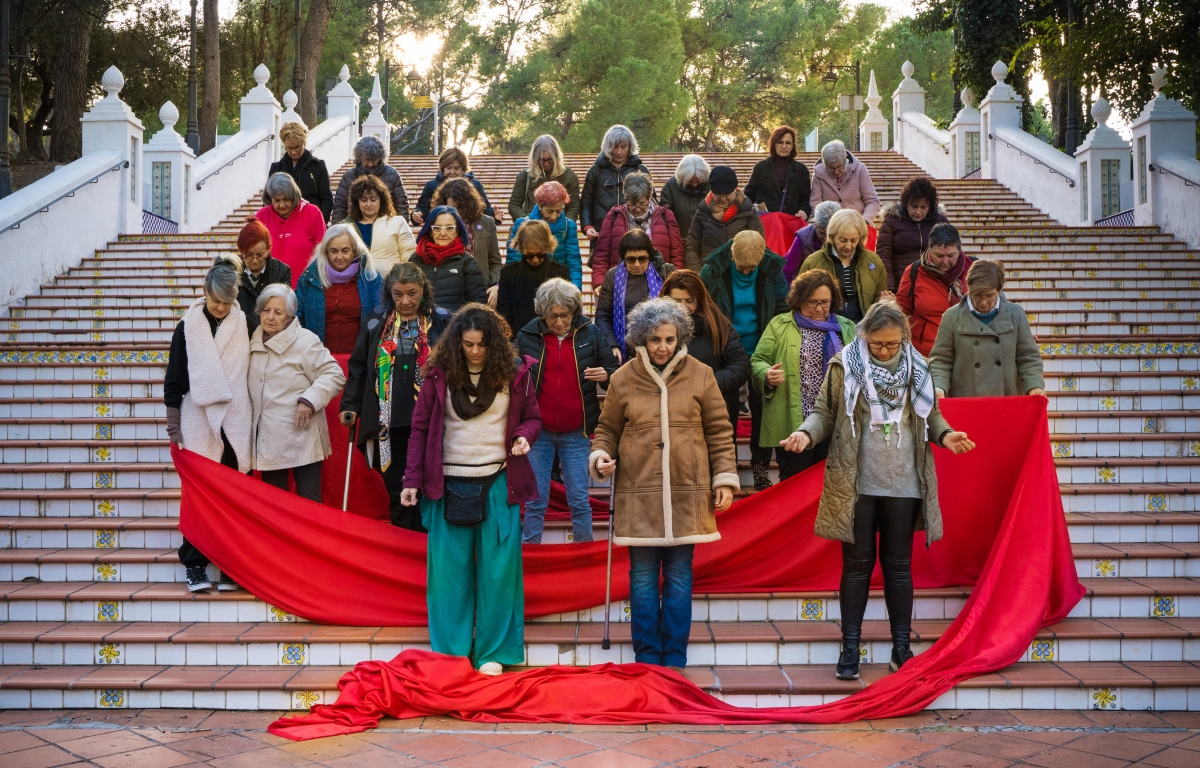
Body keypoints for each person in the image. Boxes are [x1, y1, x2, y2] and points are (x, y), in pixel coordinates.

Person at [785, 300, 975, 680]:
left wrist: (947, 434)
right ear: (864, 338)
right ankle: (850, 648)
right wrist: (805, 433)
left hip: (904, 481)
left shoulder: (917, 366)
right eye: (877, 345)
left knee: (899, 567)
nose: (884, 351)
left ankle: (901, 648)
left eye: (891, 344)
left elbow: (931, 414)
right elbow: (825, 411)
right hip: (855, 481)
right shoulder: (844, 364)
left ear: (903, 337)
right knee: (856, 568)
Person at [590, 298, 739, 672]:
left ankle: (674, 657)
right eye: (655, 339)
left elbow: (720, 431)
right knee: (641, 578)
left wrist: (723, 478)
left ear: (680, 338)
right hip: (638, 494)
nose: (663, 347)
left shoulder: (702, 374)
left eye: (670, 339)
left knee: (678, 576)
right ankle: (646, 656)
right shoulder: (623, 377)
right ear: (642, 338)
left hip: (688, 493)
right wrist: (600, 457)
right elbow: (606, 430)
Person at [400, 305, 541, 676]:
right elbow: (418, 430)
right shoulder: (437, 376)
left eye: (481, 344)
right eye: (467, 344)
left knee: (499, 575)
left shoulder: (514, 373)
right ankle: (451, 653)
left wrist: (524, 437)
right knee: (449, 576)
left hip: (498, 483)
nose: (474, 351)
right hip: (446, 485)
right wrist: (411, 480)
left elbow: (533, 418)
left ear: (493, 343)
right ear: (456, 342)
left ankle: (493, 653)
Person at [340, 263, 452, 530]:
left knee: (429, 482)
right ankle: (403, 543)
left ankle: (428, 545)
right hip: (387, 421)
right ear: (389, 293)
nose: (405, 301)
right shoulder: (377, 319)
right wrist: (350, 405)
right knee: (396, 484)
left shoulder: (442, 320)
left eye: (412, 293)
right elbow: (359, 366)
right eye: (398, 294)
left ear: (423, 290)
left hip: (429, 419)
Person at [164, 255, 250, 593]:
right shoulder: (187, 327)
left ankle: (230, 566)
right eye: (215, 300)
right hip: (196, 420)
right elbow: (174, 378)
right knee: (198, 497)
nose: (220, 307)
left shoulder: (244, 323)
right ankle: (195, 565)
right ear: (204, 292)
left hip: (235, 419)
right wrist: (174, 425)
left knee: (231, 498)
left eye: (226, 302)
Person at [516, 279, 619, 544]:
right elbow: (512, 377)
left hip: (577, 431)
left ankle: (582, 554)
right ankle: (530, 557)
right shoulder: (527, 334)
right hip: (538, 432)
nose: (560, 322)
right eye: (553, 316)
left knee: (579, 499)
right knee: (535, 500)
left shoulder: (591, 333)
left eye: (565, 315)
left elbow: (616, 374)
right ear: (543, 313)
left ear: (575, 311)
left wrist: (605, 375)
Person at [698, 230, 789, 490]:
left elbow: (782, 308)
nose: (747, 272)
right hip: (725, 349)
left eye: (752, 268)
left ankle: (760, 466)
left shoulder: (772, 270)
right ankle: (727, 465)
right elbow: (703, 307)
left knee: (762, 410)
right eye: (742, 267)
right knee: (725, 411)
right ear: (731, 255)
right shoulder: (712, 270)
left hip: (762, 348)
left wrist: (772, 345)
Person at [751, 270, 855, 481]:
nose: (819, 308)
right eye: (812, 302)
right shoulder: (780, 325)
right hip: (794, 421)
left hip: (835, 421)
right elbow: (757, 360)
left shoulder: (847, 327)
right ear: (799, 300)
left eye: (825, 302)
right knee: (794, 481)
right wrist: (766, 374)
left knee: (831, 485)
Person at [247, 284, 346, 502]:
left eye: (278, 312)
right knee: (275, 504)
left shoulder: (305, 340)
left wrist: (310, 400)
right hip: (269, 438)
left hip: (302, 435)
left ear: (290, 316)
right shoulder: (253, 339)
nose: (270, 317)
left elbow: (335, 374)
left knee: (309, 503)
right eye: (266, 310)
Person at [930, 259, 1046, 399]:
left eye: (990, 295)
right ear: (969, 289)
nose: (984, 302)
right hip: (965, 403)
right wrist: (938, 386)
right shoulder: (952, 317)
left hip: (1006, 401)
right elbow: (941, 360)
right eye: (978, 295)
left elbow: (1028, 357)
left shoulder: (1016, 314)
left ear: (999, 290)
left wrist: (1034, 385)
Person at [662, 270, 750, 426]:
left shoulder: (718, 325)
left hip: (714, 410)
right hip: (670, 410)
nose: (683, 307)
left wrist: (705, 383)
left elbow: (741, 365)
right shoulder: (654, 329)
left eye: (689, 300)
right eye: (676, 301)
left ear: (700, 300)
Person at [295, 224, 384, 354]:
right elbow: (297, 315)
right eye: (334, 251)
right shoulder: (309, 278)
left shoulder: (371, 278)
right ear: (326, 251)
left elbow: (380, 313)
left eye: (345, 250)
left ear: (355, 250)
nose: (339, 257)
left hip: (360, 358)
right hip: (317, 357)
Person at [595, 229, 677, 362]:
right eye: (631, 259)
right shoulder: (613, 276)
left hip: (661, 347)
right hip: (624, 349)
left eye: (642, 258)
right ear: (623, 257)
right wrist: (612, 345)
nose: (637, 264)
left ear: (649, 256)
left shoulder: (666, 273)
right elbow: (603, 315)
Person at [592, 172, 684, 287]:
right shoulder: (614, 215)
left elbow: (677, 254)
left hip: (659, 283)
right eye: (632, 204)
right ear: (625, 197)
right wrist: (599, 282)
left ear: (650, 196)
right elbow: (601, 253)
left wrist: (676, 282)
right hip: (621, 284)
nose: (637, 209)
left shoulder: (666, 216)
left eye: (642, 204)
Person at [799, 208, 888, 323]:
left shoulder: (874, 261)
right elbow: (801, 301)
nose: (848, 246)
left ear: (860, 238)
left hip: (863, 329)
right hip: (825, 329)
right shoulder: (813, 262)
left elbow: (878, 299)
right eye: (843, 240)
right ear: (832, 236)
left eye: (854, 240)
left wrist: (885, 300)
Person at [896, 223, 971, 357]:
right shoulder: (914, 272)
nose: (945, 261)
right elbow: (902, 312)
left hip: (965, 353)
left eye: (951, 255)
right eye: (939, 256)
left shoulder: (973, 269)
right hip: (925, 354)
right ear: (929, 250)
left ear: (960, 250)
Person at [432, 177, 502, 306]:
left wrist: (496, 285)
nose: (455, 212)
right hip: (447, 293)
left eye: (459, 207)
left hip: (479, 291)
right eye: (451, 207)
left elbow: (495, 262)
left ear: (469, 204)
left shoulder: (487, 223)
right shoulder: (437, 224)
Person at [497, 219, 571, 336]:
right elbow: (503, 311)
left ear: (547, 247)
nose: (535, 259)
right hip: (518, 336)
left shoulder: (560, 271)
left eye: (541, 254)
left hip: (552, 336)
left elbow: (566, 310)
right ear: (520, 248)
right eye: (529, 255)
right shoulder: (509, 272)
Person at [877, 177, 951, 291]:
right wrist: (889, 287)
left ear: (930, 206)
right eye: (914, 206)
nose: (918, 212)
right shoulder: (892, 220)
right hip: (901, 285)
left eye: (923, 207)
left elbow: (952, 252)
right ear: (906, 203)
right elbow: (884, 255)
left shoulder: (940, 221)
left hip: (933, 285)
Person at [685, 166, 764, 271]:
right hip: (709, 274)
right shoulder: (702, 213)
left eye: (727, 194)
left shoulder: (749, 212)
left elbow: (759, 246)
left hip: (740, 274)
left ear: (735, 190)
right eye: (718, 195)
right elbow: (692, 247)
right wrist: (698, 275)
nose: (723, 199)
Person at [412, 205, 489, 313]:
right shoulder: (416, 259)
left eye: (449, 228)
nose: (443, 233)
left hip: (454, 326)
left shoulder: (467, 262)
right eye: (437, 228)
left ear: (457, 231)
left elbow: (477, 305)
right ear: (430, 231)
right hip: (421, 325)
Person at [580, 125, 651, 240]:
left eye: (623, 147)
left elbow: (651, 202)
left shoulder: (641, 170)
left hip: (634, 233)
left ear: (629, 146)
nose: (619, 152)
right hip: (602, 233)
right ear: (608, 147)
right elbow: (586, 203)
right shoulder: (595, 171)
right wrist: (587, 226)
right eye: (615, 147)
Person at [506, 181, 582, 289]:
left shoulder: (568, 226)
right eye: (549, 211)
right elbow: (514, 260)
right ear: (540, 206)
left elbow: (573, 260)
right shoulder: (522, 224)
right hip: (527, 284)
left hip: (558, 285)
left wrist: (575, 288)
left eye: (559, 211)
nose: (554, 216)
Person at [256, 173, 326, 286]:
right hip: (270, 289)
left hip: (305, 287)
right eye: (276, 200)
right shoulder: (261, 217)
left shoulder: (313, 213)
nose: (282, 205)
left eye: (286, 199)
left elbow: (322, 252)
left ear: (294, 196)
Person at [343, 174, 417, 275]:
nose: (368, 204)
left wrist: (402, 279)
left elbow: (409, 255)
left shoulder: (397, 222)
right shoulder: (346, 226)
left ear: (381, 200)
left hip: (390, 284)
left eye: (373, 200)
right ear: (357, 202)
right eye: (363, 200)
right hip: (356, 284)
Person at [234, 217, 292, 336]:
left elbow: (282, 309)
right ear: (241, 251)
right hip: (238, 334)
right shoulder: (232, 270)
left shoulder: (281, 271)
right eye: (249, 255)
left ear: (268, 250)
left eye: (260, 255)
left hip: (272, 335)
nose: (255, 260)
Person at [331, 136, 410, 223]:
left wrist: (402, 227)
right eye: (367, 160)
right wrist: (337, 230)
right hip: (355, 227)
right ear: (359, 158)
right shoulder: (349, 176)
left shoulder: (392, 174)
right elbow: (340, 207)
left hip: (386, 226)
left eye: (374, 160)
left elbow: (401, 205)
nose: (371, 164)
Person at [412, 147, 498, 226]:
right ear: (442, 168)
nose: (452, 172)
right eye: (448, 168)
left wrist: (494, 215)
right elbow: (422, 207)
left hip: (469, 231)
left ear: (463, 169)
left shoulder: (474, 185)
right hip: (441, 232)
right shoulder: (432, 185)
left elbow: (484, 209)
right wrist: (417, 214)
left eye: (456, 168)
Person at [269, 121, 333, 223]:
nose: (293, 152)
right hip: (282, 224)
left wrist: (320, 223)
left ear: (304, 143)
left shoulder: (318, 166)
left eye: (297, 147)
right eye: (289, 148)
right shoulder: (276, 168)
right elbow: (269, 200)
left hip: (310, 222)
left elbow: (326, 199)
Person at [744, 125, 812, 220]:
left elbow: (806, 198)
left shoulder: (801, 170)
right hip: (767, 223)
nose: (784, 146)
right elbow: (749, 194)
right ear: (774, 144)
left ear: (793, 146)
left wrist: (804, 211)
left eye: (788, 143)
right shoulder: (761, 168)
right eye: (780, 142)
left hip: (791, 222)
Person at [508, 135, 581, 222]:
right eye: (542, 160)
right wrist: (527, 223)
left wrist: (566, 225)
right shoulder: (525, 176)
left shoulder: (569, 176)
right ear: (535, 158)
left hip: (559, 230)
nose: (546, 164)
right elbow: (514, 205)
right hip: (532, 230)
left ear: (556, 157)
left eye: (550, 160)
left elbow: (574, 206)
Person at [809, 140, 880, 223]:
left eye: (839, 166)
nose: (836, 171)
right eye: (831, 168)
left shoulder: (860, 169)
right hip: (830, 226)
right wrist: (824, 222)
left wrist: (865, 220)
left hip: (858, 224)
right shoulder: (819, 173)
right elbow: (815, 203)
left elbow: (872, 201)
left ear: (845, 158)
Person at [784, 201, 840, 283]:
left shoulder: (848, 238)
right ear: (815, 225)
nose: (826, 239)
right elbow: (788, 273)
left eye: (831, 234)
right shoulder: (802, 238)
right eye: (822, 233)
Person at [659, 154, 710, 238]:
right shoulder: (671, 186)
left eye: (698, 181)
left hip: (706, 238)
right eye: (690, 181)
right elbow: (666, 215)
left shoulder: (710, 186)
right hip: (678, 238)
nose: (694, 185)